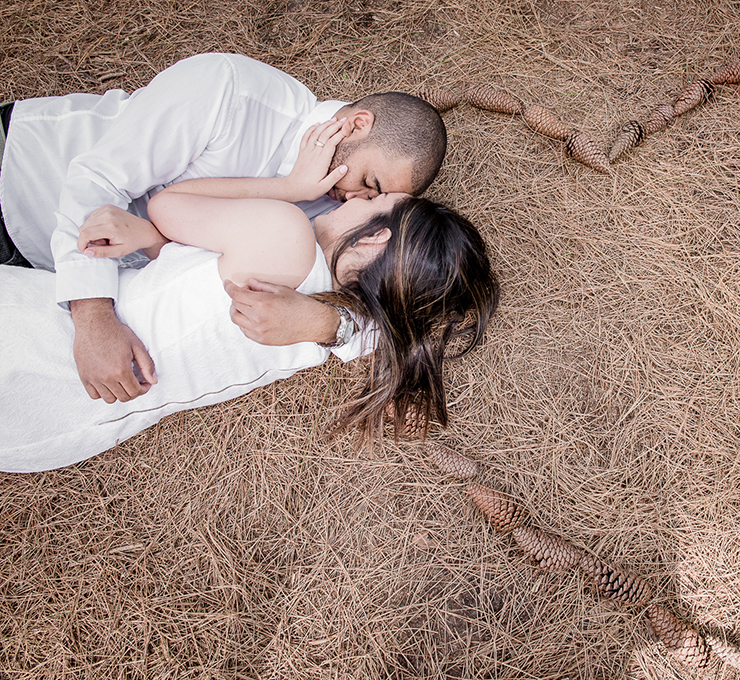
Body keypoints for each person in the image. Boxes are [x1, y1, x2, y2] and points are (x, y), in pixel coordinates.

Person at [0, 121, 500, 473]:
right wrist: (154, 246)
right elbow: (188, 304)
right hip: (55, 429)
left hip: (33, 339)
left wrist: (288, 189)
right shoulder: (326, 327)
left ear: (375, 239)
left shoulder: (285, 234)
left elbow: (168, 202)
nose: (354, 197)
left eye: (373, 200)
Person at [0, 52, 446, 404]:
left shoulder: (332, 214)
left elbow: (394, 305)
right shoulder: (229, 90)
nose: (359, 201)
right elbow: (97, 181)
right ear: (356, 124)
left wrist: (327, 323)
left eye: (372, 199)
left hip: (43, 278)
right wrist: (93, 315)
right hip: (20, 183)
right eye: (369, 184)